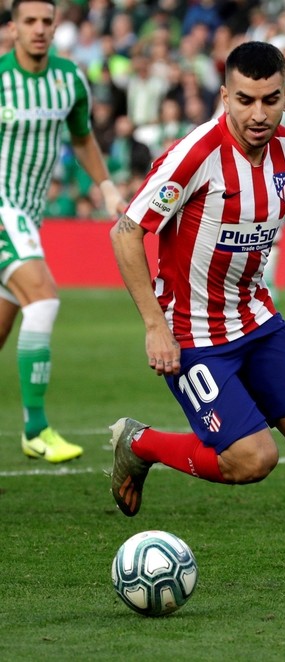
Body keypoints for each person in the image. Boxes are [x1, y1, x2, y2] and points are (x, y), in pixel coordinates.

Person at [108, 42, 285, 594]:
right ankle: (140, 445)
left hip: (256, 319)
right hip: (191, 330)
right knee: (251, 460)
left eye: (270, 99)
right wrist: (154, 325)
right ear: (224, 97)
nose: (258, 114)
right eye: (245, 100)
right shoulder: (194, 154)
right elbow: (126, 233)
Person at [0, 0, 126, 463]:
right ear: (12, 27)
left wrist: (109, 190)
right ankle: (36, 429)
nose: (38, 29)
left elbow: (82, 138)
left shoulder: (68, 80)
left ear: (56, 27)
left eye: (46, 21)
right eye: (28, 21)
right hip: (1, 209)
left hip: (27, 216)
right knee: (45, 298)